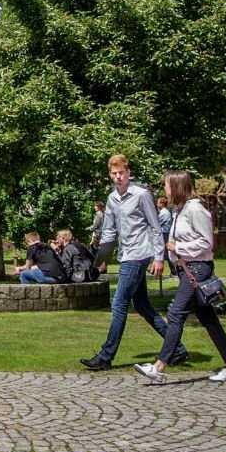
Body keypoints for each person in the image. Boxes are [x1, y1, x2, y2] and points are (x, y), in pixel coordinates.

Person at [134, 171, 226, 383]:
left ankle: (159, 367)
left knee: (176, 314)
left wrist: (178, 246)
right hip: (187, 268)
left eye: (167, 185)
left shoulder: (195, 210)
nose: (164, 189)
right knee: (209, 319)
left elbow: (206, 243)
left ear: (177, 186)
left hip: (197, 269)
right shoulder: (179, 209)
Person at [81, 154, 188, 371]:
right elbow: (109, 231)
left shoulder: (141, 195)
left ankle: (106, 355)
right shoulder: (112, 199)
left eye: (121, 173)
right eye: (114, 173)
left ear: (128, 173)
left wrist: (159, 257)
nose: (118, 177)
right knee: (142, 306)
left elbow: (155, 227)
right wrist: (101, 259)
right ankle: (177, 349)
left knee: (118, 303)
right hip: (125, 255)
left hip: (139, 254)